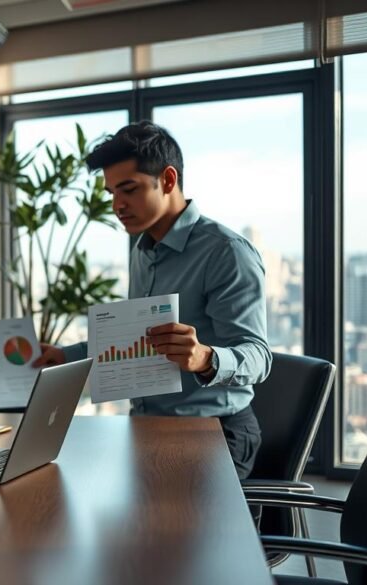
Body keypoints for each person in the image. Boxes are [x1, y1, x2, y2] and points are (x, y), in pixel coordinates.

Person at [32, 121, 272, 479]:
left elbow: (259, 356)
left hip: (216, 433)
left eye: (128, 190)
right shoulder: (143, 251)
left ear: (169, 180)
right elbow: (138, 343)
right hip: (147, 428)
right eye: (112, 192)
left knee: (159, 530)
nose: (117, 205)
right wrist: (66, 357)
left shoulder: (226, 252)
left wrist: (204, 358)